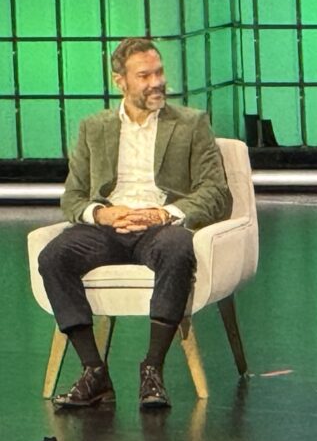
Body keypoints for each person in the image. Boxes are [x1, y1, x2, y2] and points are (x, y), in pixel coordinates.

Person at [38, 38, 232, 409]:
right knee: (53, 256)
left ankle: (153, 369)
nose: (156, 82)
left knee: (178, 248)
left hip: (160, 226)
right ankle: (94, 372)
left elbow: (215, 191)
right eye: (144, 76)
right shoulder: (94, 127)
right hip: (108, 227)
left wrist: (165, 214)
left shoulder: (191, 124)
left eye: (159, 72)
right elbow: (72, 197)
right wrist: (102, 214)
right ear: (120, 82)